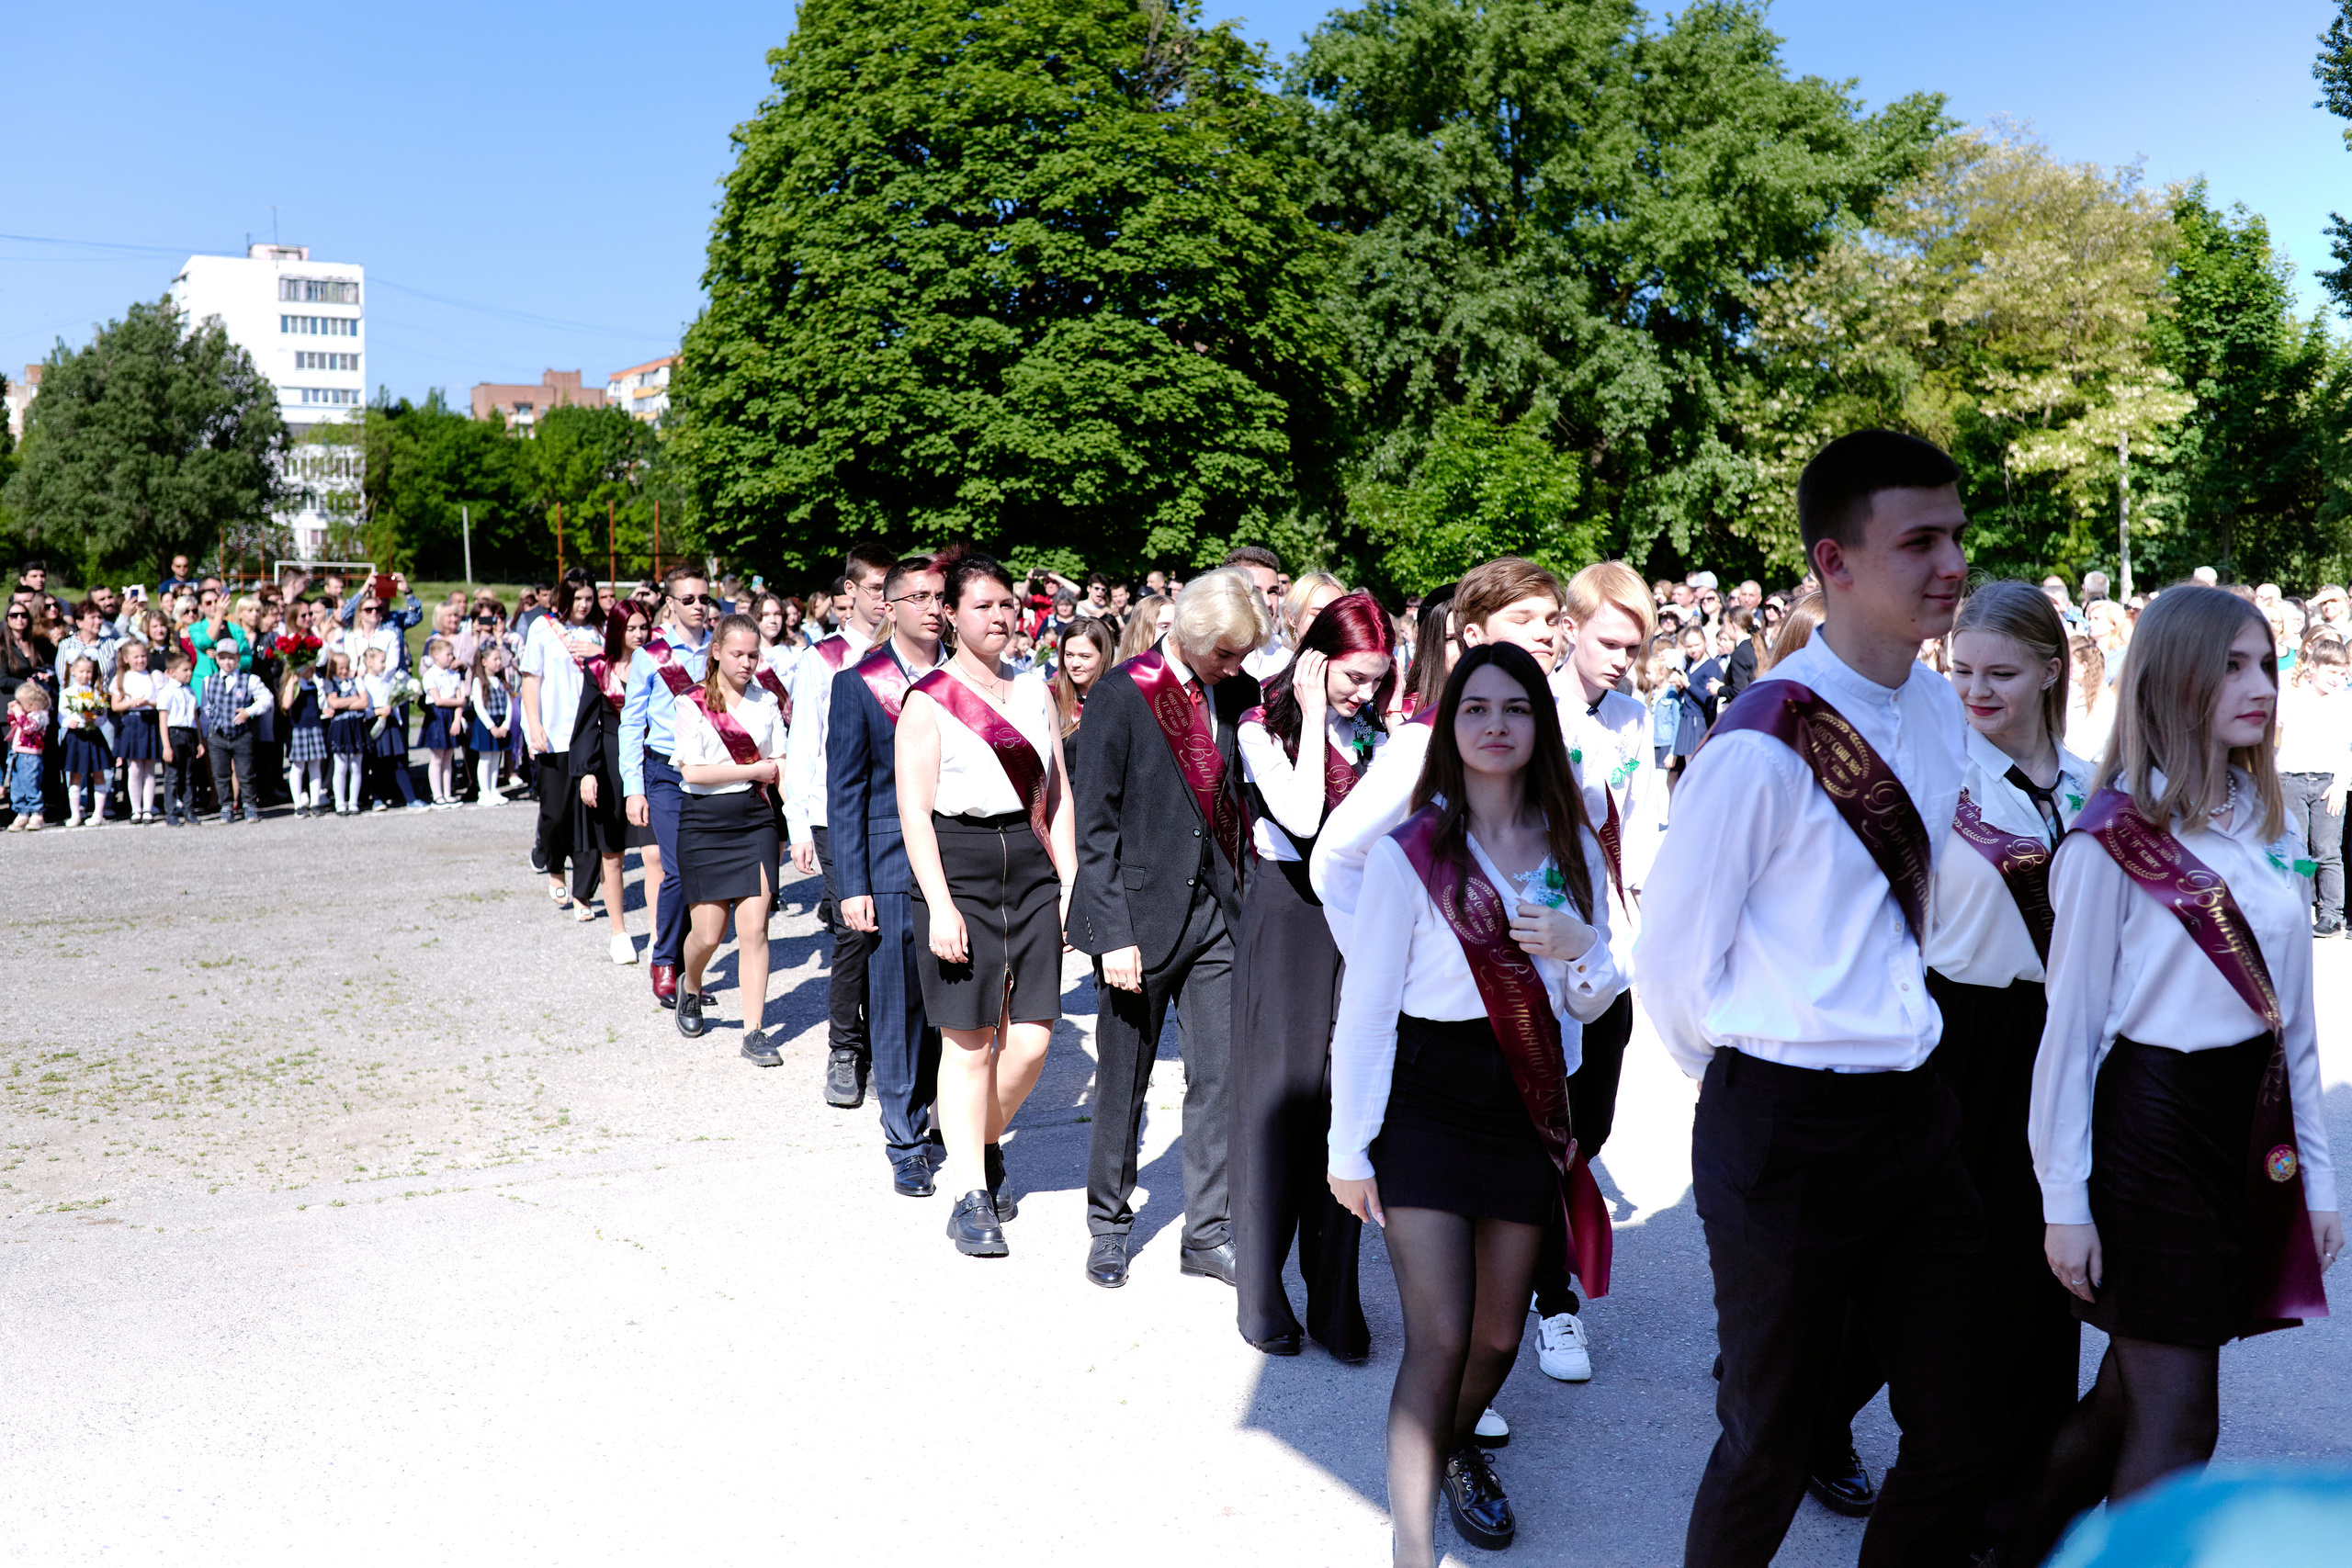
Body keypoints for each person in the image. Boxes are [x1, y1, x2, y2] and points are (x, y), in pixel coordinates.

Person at [1637, 429, 1989, 1568]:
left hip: (1916, 1121)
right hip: (1784, 1124)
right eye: (1919, 542)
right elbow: (1674, 971)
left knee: (1960, 1425)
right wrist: (1761, 1075)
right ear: (1834, 563)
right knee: (1770, 1443)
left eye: (1956, 535)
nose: (1951, 564)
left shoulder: (1939, 711)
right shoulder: (1756, 749)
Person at [2007, 584, 2343, 1565]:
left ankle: (2005, 1543)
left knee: (2126, 1398)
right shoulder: (2109, 843)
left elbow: (2298, 1027)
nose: (2260, 688)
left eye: (2265, 666)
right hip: (2147, 1128)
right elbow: (2064, 1038)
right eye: (2232, 667)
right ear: (2174, 681)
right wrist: (2061, 1202)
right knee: (2179, 1419)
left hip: (2243, 1121)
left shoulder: (2260, 818)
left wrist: (2316, 1177)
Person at [1328, 643, 1623, 1565]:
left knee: (1498, 1335)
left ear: (1540, 726)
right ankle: (1411, 1548)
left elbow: (1591, 999)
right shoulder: (1411, 853)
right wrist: (1348, 1149)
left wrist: (1583, 950)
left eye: (1515, 709)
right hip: (1425, 1097)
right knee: (1442, 1335)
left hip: (1524, 1102)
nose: (1495, 725)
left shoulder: (1571, 842)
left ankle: (1450, 1446)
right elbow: (1366, 1014)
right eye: (1475, 709)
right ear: (1450, 728)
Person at [1069, 568, 1270, 1288]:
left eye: (1242, 655)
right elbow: (1093, 828)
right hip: (1139, 918)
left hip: (1219, 916)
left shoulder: (1241, 692)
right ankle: (1109, 1223)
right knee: (1124, 1077)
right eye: (1225, 654)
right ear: (1188, 634)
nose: (1235, 668)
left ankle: (1207, 1232)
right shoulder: (1123, 694)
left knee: (1217, 1077)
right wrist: (1111, 932)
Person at [896, 549, 1077, 1256]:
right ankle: (971, 1189)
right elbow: (914, 814)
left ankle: (977, 1135)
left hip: (1030, 867)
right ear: (952, 615)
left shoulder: (1035, 690)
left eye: (1007, 604)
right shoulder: (928, 698)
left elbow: (1056, 793)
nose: (1000, 616)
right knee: (968, 1042)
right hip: (959, 866)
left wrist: (1068, 882)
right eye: (983, 606)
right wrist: (939, 904)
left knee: (1031, 1040)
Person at [1232, 590, 1395, 1359]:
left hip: (1354, 920)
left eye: (1376, 679)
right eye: (1352, 677)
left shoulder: (1375, 731)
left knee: (1347, 1102)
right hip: (1288, 912)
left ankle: (1336, 1298)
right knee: (1279, 1100)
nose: (1364, 693)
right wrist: (1311, 711)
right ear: (1316, 659)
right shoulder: (1258, 725)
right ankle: (1262, 1293)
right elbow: (1300, 814)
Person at [1529, 559, 1658, 1383]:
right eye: (1611, 641)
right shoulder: (1524, 705)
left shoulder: (1637, 715)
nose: (1622, 659)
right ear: (1569, 628)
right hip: (1539, 947)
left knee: (1593, 1125)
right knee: (1546, 1131)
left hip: (1610, 947)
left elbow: (1646, 827)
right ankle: (1554, 1304)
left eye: (1636, 646)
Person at [1313, 559, 1561, 962]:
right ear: (1474, 636)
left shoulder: (1569, 724)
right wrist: (1389, 961)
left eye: (1552, 619)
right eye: (1522, 619)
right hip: (1462, 992)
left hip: (1568, 993)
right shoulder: (1425, 739)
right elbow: (1337, 856)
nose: (1544, 633)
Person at [827, 556, 951, 1181]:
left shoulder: (966, 677)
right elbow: (844, 791)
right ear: (892, 606)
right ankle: (905, 1140)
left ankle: (940, 1114)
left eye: (940, 596)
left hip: (958, 862)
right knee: (898, 1003)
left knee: (952, 1005)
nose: (933, 606)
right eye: (920, 596)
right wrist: (852, 886)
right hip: (889, 863)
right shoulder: (858, 683)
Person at [785, 542, 894, 1104]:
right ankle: (846, 1048)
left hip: (896, 814)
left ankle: (891, 1041)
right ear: (850, 592)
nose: (886, 600)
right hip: (834, 816)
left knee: (895, 927)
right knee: (855, 930)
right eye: (876, 588)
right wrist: (798, 824)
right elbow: (802, 746)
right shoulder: (824, 659)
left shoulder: (909, 656)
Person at [670, 614, 788, 1059]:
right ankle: (692, 982)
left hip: (756, 820)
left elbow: (781, 761)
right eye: (737, 653)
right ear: (716, 651)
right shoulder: (691, 702)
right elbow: (694, 772)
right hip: (703, 822)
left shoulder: (766, 701)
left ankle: (754, 1031)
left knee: (755, 928)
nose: (746, 662)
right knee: (709, 934)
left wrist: (796, 820)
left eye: (753, 654)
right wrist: (754, 770)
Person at [621, 565, 717, 1010]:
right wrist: (632, 787)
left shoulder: (722, 648)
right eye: (689, 599)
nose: (699, 606)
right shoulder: (650, 655)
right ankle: (664, 961)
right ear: (671, 603)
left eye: (704, 598)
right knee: (678, 870)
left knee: (707, 875)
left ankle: (690, 973)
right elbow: (631, 723)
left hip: (716, 774)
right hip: (665, 775)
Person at [572, 599, 655, 964]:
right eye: (631, 628)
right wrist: (587, 771)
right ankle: (620, 933)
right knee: (613, 854)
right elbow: (588, 723)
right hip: (608, 763)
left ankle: (658, 933)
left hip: (648, 761)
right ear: (617, 630)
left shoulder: (659, 664)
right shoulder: (599, 669)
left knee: (655, 855)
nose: (639, 635)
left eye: (644, 627)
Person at [522, 571, 605, 906]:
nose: (584, 605)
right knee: (554, 813)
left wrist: (598, 651)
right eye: (578, 598)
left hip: (593, 735)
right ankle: (555, 866)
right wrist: (534, 724)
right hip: (554, 735)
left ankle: (583, 892)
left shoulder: (602, 630)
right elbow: (531, 678)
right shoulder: (542, 628)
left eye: (589, 598)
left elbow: (622, 668)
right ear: (564, 598)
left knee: (591, 814)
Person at [2274, 637, 2349, 938]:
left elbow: (2348, 747)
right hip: (2291, 779)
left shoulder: (2345, 702)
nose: (2336, 679)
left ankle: (2331, 914)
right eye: (2330, 671)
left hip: (2328, 783)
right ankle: (2299, 907)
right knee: (2296, 848)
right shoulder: (2291, 698)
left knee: (2327, 849)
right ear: (2312, 667)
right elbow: (2273, 740)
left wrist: (2342, 781)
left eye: (2342, 673)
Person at [199, 635, 272, 825]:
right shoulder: (209, 681)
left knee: (245, 772)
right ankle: (226, 805)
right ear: (217, 659)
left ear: (238, 659)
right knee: (220, 774)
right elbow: (206, 710)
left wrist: (249, 711)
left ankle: (249, 805)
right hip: (218, 736)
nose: (227, 662)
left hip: (241, 735)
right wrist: (205, 735)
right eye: (223, 658)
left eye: (231, 658)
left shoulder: (250, 680)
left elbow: (267, 699)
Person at [57, 653, 111, 829]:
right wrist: (68, 723)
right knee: (75, 775)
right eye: (81, 671)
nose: (85, 675)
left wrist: (95, 720)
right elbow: (61, 716)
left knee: (98, 773)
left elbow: (103, 717)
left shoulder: (95, 693)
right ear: (73, 671)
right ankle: (75, 814)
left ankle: (98, 814)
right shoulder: (66, 693)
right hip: (76, 737)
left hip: (93, 736)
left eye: (89, 672)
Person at [111, 639, 162, 824]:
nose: (140, 660)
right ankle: (136, 809)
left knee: (149, 767)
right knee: (134, 768)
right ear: (126, 659)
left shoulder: (154, 675)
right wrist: (131, 703)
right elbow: (115, 705)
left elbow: (162, 700)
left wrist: (148, 702)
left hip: (150, 721)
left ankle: (148, 808)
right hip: (131, 722)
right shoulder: (122, 677)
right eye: (136, 657)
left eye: (143, 656)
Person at [1226, 545, 1290, 682]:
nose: (1267, 602)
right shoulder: (1207, 659)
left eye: (1272, 592)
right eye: (1255, 591)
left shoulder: (1289, 663)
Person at [278, 645, 326, 818]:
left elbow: (322, 704)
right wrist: (292, 681)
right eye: (309, 666)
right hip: (299, 729)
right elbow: (286, 704)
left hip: (314, 728)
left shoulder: (315, 683)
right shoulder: (297, 685)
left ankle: (315, 802)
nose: (313, 669)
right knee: (298, 767)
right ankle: (298, 803)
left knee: (315, 766)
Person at [467, 643, 516, 810]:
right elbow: (479, 707)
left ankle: (494, 789)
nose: (498, 662)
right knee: (486, 758)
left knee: (496, 758)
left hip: (501, 723)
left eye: (499, 659)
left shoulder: (501, 681)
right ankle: (484, 791)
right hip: (487, 725)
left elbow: (509, 705)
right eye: (495, 659)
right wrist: (492, 727)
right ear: (484, 661)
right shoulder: (479, 681)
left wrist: (505, 725)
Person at [155, 649, 201, 827]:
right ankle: (170, 812)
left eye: (190, 670)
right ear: (172, 672)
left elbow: (195, 718)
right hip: (174, 735)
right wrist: (167, 746)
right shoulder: (167, 691)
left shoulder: (190, 691)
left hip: (189, 734)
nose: (189, 673)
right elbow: (163, 721)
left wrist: (199, 742)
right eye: (185, 670)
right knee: (172, 776)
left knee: (188, 776)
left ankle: (189, 810)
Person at [419, 636, 467, 808]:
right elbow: (438, 700)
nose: (451, 657)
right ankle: (437, 795)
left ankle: (448, 793)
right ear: (436, 655)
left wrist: (457, 719)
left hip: (451, 716)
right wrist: (459, 702)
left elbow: (461, 697)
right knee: (437, 758)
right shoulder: (431, 675)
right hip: (437, 717)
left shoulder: (454, 675)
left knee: (449, 757)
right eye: (448, 654)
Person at [1051, 616, 1117, 739]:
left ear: (1104, 656)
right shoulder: (1050, 695)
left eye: (1085, 656)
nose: (1075, 664)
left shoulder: (1118, 698)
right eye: (1069, 655)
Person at [6, 680, 50, 829]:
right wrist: (12, 713)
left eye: (21, 703)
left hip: (30, 757)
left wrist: (19, 714)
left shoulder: (41, 716)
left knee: (30, 784)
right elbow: (14, 724)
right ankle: (22, 812)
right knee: (16, 785)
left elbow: (29, 728)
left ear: (31, 705)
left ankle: (37, 813)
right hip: (18, 754)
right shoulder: (25, 715)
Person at [1115, 594, 1173, 664]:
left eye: (1177, 627)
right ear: (1143, 631)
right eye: (1165, 627)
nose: (1174, 633)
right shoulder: (1125, 672)